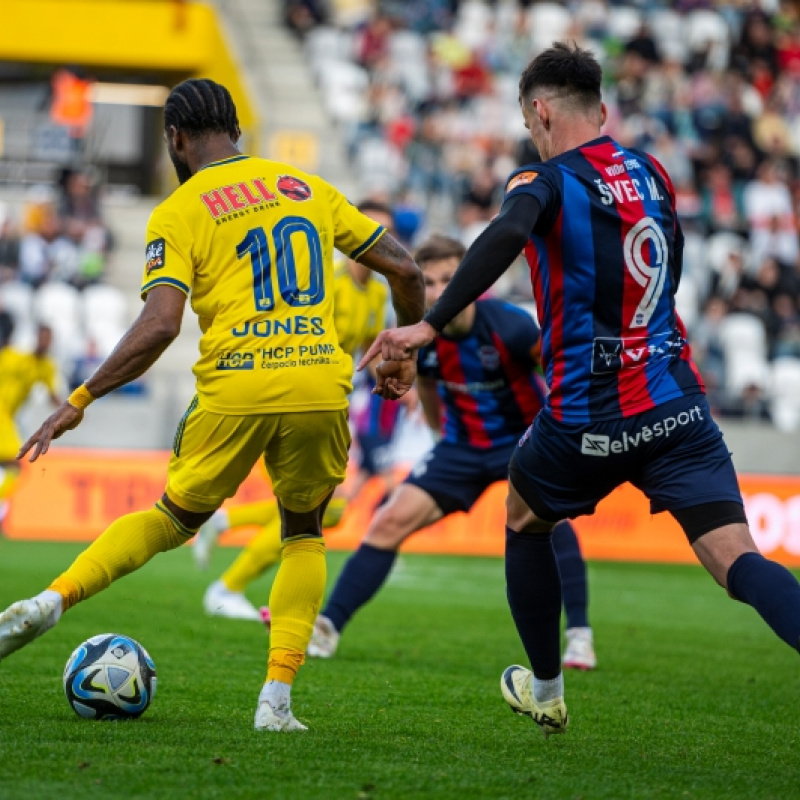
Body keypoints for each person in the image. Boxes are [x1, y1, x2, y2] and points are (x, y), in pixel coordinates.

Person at [360, 43, 800, 738]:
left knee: (524, 517)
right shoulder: (653, 171)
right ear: (601, 108)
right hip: (676, 405)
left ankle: (545, 690)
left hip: (591, 415)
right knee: (735, 558)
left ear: (539, 111)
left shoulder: (543, 180)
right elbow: (674, 263)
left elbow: (507, 232)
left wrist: (427, 327)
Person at [0, 78, 424, 733]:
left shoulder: (180, 209)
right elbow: (408, 272)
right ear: (237, 129)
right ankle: (275, 704)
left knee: (171, 520)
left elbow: (161, 324)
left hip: (238, 382)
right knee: (304, 531)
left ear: (175, 138)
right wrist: (406, 351)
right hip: (319, 379)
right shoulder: (303, 186)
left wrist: (80, 398)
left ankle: (52, 601)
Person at [307, 234, 596, 671]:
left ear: (472, 281)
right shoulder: (421, 336)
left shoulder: (511, 326)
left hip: (522, 445)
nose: (441, 291)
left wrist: (558, 435)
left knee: (549, 525)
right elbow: (425, 385)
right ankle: (327, 627)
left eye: (450, 279)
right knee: (388, 523)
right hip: (461, 448)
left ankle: (578, 637)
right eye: (431, 282)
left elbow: (558, 372)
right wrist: (443, 437)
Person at [194, 199, 401, 621]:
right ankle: (227, 585)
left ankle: (225, 527)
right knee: (318, 506)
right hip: (296, 399)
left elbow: (367, 354)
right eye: (370, 230)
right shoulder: (327, 282)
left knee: (322, 506)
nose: (378, 242)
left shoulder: (379, 293)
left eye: (386, 233)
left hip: (332, 405)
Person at [0, 322, 61, 527]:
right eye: (42, 337)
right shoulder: (11, 356)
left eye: (48, 338)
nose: (45, 341)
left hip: (8, 418)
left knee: (15, 467)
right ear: (36, 337)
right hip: (2, 415)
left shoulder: (46, 367)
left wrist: (74, 408)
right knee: (15, 464)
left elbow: (53, 395)